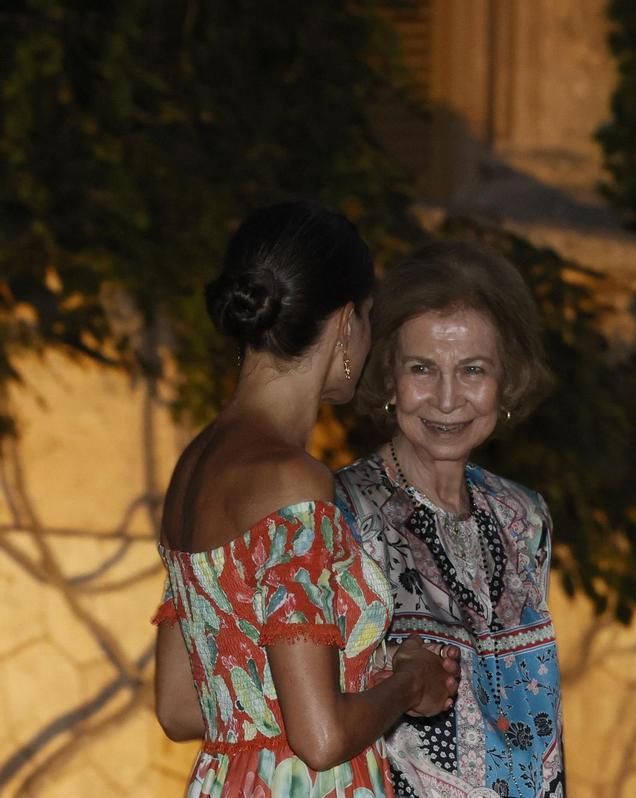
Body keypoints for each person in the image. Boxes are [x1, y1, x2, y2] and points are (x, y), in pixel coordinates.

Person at [153, 200, 461, 797]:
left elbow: (181, 708)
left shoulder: (195, 467)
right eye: (370, 318)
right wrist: (410, 683)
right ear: (346, 324)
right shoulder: (293, 482)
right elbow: (319, 739)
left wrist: (359, 668)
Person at [334, 241, 564, 798]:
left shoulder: (524, 517)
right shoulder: (342, 511)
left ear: (505, 380)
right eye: (422, 369)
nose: (445, 399)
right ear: (389, 376)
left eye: (472, 370)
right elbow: (312, 698)